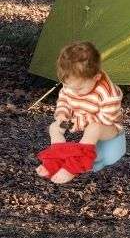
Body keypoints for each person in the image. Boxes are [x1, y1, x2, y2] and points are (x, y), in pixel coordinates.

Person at [36, 41, 123, 184]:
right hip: (77, 121)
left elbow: (105, 120)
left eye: (80, 89)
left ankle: (74, 165)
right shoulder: (71, 85)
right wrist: (62, 115)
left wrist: (78, 122)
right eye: (69, 86)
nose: (74, 92)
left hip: (108, 128)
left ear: (96, 77)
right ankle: (56, 159)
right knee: (55, 127)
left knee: (93, 128)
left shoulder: (109, 94)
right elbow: (64, 99)